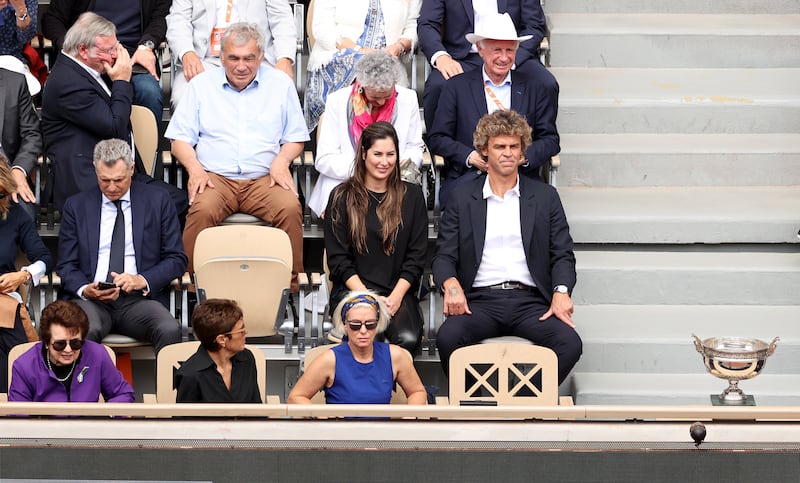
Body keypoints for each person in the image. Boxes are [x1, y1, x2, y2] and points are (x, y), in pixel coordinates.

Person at [432, 110, 581, 384]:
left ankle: (523, 403)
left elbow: (562, 254)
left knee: (570, 343)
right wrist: (451, 285)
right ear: (484, 151)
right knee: (448, 338)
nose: (508, 153)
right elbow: (444, 256)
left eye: (514, 146)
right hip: (479, 301)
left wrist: (561, 292)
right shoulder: (462, 197)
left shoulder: (545, 197)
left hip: (531, 301)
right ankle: (479, 403)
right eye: (499, 146)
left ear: (523, 152)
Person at [166, 22, 309, 288]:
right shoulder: (201, 85)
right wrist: (195, 169)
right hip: (215, 178)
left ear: (261, 57)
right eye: (233, 58)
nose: (241, 66)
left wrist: (281, 160)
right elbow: (179, 141)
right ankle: (187, 285)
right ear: (221, 57)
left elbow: (296, 137)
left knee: (290, 208)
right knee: (201, 210)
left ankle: (290, 287)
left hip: (264, 179)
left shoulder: (280, 84)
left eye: (248, 58)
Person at [40, 12, 187, 218]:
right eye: (109, 50)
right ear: (83, 49)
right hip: (89, 181)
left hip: (120, 174)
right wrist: (122, 81)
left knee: (180, 201)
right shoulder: (67, 82)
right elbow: (114, 126)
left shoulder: (91, 68)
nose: (115, 56)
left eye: (116, 47)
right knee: (167, 205)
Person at [56, 138, 186, 354]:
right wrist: (85, 289)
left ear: (132, 169)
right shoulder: (77, 205)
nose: (112, 187)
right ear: (95, 171)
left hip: (138, 300)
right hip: (93, 301)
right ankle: (85, 389)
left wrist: (141, 280)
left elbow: (176, 258)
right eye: (104, 180)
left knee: (169, 329)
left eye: (119, 179)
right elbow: (66, 264)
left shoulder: (158, 200)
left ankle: (168, 389)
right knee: (83, 330)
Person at [427, 12, 559, 208]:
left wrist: (522, 157)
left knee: (547, 205)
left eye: (509, 50)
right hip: (471, 178)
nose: (504, 58)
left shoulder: (534, 87)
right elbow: (438, 138)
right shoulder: (457, 87)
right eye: (497, 50)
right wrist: (470, 157)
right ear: (480, 50)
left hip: (521, 179)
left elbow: (550, 140)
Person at [323, 122, 427, 354]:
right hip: (354, 290)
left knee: (408, 339)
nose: (384, 161)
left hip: (396, 291)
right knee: (369, 336)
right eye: (377, 154)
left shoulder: (412, 196)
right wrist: (368, 299)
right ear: (363, 154)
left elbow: (417, 256)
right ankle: (369, 391)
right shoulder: (341, 197)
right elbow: (338, 260)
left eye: (391, 154)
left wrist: (396, 296)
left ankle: (390, 390)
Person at [308, 51, 424, 217]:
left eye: (387, 96)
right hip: (346, 181)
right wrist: (367, 170)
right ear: (361, 85)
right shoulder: (337, 101)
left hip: (392, 179)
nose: (382, 102)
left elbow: (414, 146)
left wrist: (396, 168)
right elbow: (324, 159)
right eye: (376, 97)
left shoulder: (408, 98)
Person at [417, 0, 556, 132]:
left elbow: (534, 25)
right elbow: (427, 24)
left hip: (512, 54)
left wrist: (510, 58)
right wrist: (441, 56)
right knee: (437, 86)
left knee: (546, 83)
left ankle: (538, 148)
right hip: (462, 58)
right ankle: (441, 149)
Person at [288, 290, 427, 405]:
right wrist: (320, 417)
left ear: (378, 324)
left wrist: (408, 418)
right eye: (355, 325)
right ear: (345, 325)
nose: (363, 330)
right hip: (340, 432)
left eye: (370, 324)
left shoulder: (395, 356)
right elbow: (296, 397)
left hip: (381, 434)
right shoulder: (330, 360)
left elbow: (417, 392)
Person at [42, 0, 169, 124]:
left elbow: (160, 19)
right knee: (73, 89)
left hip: (133, 55)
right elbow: (53, 19)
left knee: (148, 92)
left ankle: (146, 145)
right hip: (87, 55)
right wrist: (71, 48)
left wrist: (146, 45)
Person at [304, 0, 421, 131]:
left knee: (384, 80)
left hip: (388, 62)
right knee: (365, 75)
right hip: (338, 56)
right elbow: (322, 28)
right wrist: (361, 51)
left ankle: (381, 140)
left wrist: (399, 47)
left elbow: (413, 26)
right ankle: (352, 136)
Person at [166, 0, 297, 107]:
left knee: (281, 94)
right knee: (183, 97)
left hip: (255, 61)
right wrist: (187, 52)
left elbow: (282, 19)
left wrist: (284, 58)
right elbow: (178, 20)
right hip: (204, 61)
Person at [8, 300, 135, 402]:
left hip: (89, 430)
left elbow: (122, 393)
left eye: (75, 343)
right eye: (60, 344)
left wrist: (108, 417)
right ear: (46, 342)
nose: (68, 350)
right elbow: (18, 413)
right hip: (44, 431)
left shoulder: (97, 354)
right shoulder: (24, 365)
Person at [0, 159, 51, 390]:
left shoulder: (14, 214)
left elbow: (44, 258)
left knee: (15, 353)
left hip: (3, 301)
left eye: (1, 195)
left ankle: (12, 408)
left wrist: (23, 275)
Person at [175, 299, 261, 403]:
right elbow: (184, 418)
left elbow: (257, 408)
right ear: (221, 340)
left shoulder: (246, 359)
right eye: (241, 331)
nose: (246, 332)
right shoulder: (189, 375)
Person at [0, 62, 41, 220]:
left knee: (24, 214)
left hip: (7, 171)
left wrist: (18, 170)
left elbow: (32, 134)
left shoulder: (15, 83)